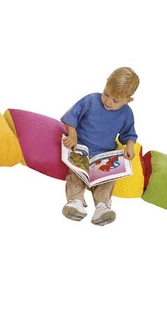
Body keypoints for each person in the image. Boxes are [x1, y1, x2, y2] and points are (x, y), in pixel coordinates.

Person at [60, 67, 139, 226]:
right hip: (80, 150)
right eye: (106, 94)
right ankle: (75, 202)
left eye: (115, 100)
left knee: (108, 180)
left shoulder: (126, 114)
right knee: (76, 174)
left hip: (104, 156)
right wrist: (73, 136)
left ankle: (102, 207)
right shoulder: (91, 100)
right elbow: (71, 118)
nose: (108, 101)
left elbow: (129, 134)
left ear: (128, 100)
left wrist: (130, 146)